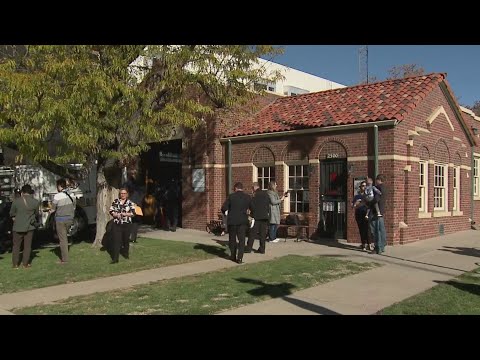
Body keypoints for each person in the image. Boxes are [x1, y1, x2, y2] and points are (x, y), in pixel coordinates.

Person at [9, 184, 39, 268]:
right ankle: (25, 263)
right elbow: (36, 214)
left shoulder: (16, 201)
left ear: (22, 192)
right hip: (29, 226)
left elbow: (12, 213)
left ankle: (15, 264)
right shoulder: (35, 202)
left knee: (16, 246)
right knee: (27, 246)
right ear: (30, 193)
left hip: (17, 226)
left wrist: (15, 219)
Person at [221, 182, 251, 264]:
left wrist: (226, 213)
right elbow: (252, 208)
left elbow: (224, 208)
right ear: (242, 188)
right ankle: (240, 258)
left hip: (232, 221)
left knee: (232, 239)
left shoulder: (231, 197)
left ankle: (233, 256)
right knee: (241, 240)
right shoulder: (247, 197)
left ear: (235, 188)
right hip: (242, 221)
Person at [51, 178, 76, 264]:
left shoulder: (57, 196)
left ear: (59, 186)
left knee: (63, 239)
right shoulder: (72, 194)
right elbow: (74, 206)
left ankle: (65, 259)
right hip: (70, 218)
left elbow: (53, 209)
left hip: (60, 219)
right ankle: (65, 256)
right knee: (65, 237)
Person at [109, 188, 136, 263]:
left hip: (126, 224)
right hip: (117, 224)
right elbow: (111, 210)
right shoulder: (116, 201)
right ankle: (115, 258)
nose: (123, 195)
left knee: (125, 240)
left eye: (124, 193)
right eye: (121, 193)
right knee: (116, 241)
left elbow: (133, 213)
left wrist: (125, 214)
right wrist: (115, 214)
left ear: (127, 194)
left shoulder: (130, 203)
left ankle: (126, 253)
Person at [245, 182, 270, 254]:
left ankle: (249, 248)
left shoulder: (254, 195)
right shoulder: (265, 194)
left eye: (252, 188)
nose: (251, 189)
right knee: (262, 234)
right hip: (264, 216)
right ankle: (262, 249)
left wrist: (252, 213)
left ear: (254, 187)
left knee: (252, 233)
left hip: (256, 216)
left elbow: (251, 205)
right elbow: (268, 204)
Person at [369, 174, 387, 254]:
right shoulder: (385, 188)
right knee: (381, 229)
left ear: (378, 180)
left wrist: (369, 201)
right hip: (381, 211)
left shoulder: (378, 188)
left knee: (376, 230)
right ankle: (382, 246)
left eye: (376, 180)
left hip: (376, 211)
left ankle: (378, 247)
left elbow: (376, 199)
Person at [352, 181, 372, 251]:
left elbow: (370, 205)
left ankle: (369, 244)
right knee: (361, 229)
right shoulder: (357, 196)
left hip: (366, 213)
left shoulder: (367, 196)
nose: (364, 187)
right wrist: (355, 204)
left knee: (367, 229)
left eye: (365, 186)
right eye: (362, 186)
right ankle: (363, 244)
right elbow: (353, 206)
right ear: (360, 187)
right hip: (358, 213)